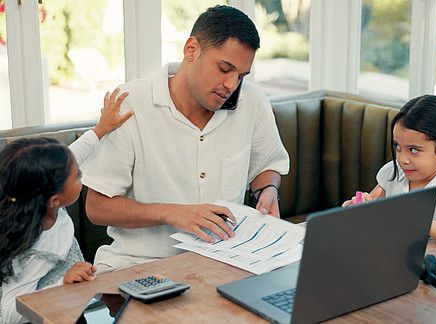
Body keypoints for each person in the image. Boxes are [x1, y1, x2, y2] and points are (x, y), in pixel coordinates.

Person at [80, 5, 290, 273]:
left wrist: (267, 191)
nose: (231, 85)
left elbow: (267, 165)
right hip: (138, 266)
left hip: (224, 262)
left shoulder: (253, 101)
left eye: (241, 76)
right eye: (224, 68)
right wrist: (172, 213)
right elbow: (97, 208)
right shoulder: (130, 104)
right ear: (191, 49)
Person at [0, 90, 133, 324]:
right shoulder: (30, 244)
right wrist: (61, 284)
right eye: (78, 176)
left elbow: (73, 155)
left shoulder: (40, 197)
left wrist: (101, 129)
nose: (82, 175)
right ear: (54, 200)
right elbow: (10, 313)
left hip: (70, 303)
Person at [343, 95, 436, 257]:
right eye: (398, 147)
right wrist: (359, 209)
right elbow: (373, 209)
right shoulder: (393, 172)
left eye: (414, 150)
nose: (402, 159)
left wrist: (422, 222)